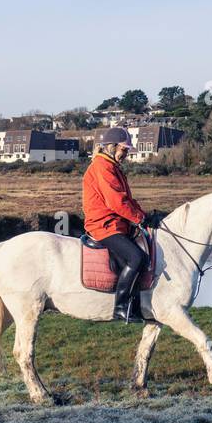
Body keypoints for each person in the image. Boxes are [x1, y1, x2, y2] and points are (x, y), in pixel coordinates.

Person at [82, 127, 163, 323]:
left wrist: (144, 215)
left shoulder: (112, 166)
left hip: (117, 224)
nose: (126, 154)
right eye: (124, 149)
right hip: (104, 225)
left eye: (127, 150)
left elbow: (127, 199)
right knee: (136, 257)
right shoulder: (103, 167)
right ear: (111, 147)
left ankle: (136, 307)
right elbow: (116, 201)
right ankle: (120, 308)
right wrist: (139, 219)